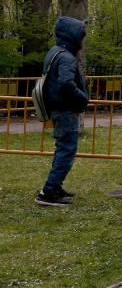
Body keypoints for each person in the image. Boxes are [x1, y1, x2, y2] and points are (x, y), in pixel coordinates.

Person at [35, 17, 90, 207]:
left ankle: (54, 187)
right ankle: (48, 192)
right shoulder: (66, 57)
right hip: (65, 110)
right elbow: (66, 84)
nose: (82, 40)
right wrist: (83, 98)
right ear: (72, 35)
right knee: (66, 151)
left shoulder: (55, 52)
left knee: (62, 149)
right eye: (81, 35)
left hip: (59, 109)